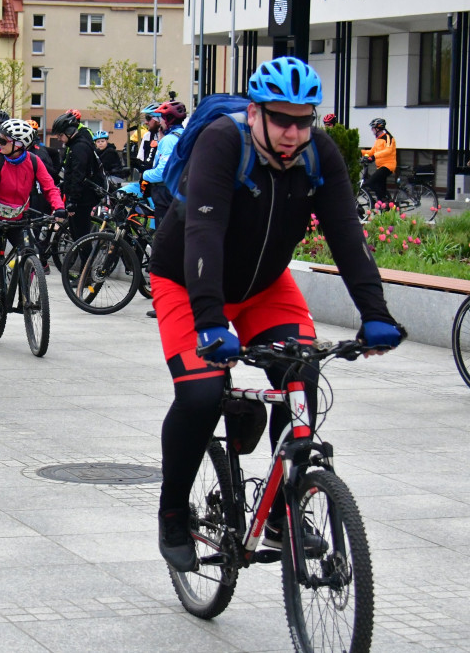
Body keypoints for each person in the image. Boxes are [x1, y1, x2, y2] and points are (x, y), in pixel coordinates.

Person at [147, 56, 404, 572]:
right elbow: (203, 235)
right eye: (281, 118)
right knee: (199, 393)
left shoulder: (319, 153)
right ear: (256, 113)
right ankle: (173, 511)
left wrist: (376, 314)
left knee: (302, 370)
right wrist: (211, 320)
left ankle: (286, 505)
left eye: (303, 119)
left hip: (266, 286)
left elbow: (347, 239)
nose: (292, 132)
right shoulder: (224, 142)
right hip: (187, 277)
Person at [0, 119, 65, 312]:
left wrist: (59, 207)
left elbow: (49, 187)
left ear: (19, 145)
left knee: (31, 253)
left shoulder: (33, 161)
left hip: (18, 218)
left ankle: (25, 297)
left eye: (4, 141)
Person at [50, 112, 104, 243]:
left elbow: (77, 175)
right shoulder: (75, 145)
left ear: (69, 132)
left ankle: (86, 262)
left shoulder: (79, 147)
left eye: (60, 135)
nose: (59, 139)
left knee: (81, 237)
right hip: (80, 197)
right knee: (77, 235)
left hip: (82, 199)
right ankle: (83, 260)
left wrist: (73, 201)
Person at [142, 100, 188, 225]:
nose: (160, 122)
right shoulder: (183, 134)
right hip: (180, 191)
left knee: (162, 239)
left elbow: (162, 173)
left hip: (165, 194)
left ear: (167, 120)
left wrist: (145, 174)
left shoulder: (168, 140)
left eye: (161, 118)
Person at [361, 118, 396, 208]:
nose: (372, 130)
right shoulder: (378, 139)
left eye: (373, 128)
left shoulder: (388, 137)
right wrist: (360, 152)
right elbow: (372, 151)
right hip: (380, 166)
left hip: (388, 166)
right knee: (380, 188)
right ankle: (385, 207)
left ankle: (384, 201)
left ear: (378, 128)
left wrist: (373, 157)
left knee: (370, 182)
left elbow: (388, 151)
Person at [133, 103, 163, 174]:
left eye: (148, 118)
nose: (146, 122)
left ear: (159, 120)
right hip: (147, 177)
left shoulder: (167, 138)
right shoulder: (147, 135)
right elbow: (141, 158)